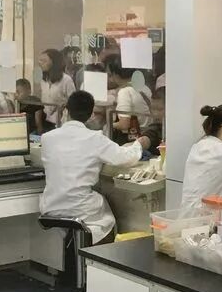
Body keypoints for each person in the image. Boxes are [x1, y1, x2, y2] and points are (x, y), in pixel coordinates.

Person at [40, 91, 152, 245]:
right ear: (91, 114)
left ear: (66, 110)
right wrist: (139, 143)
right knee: (108, 220)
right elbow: (126, 158)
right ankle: (95, 257)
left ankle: (74, 254)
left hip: (50, 208)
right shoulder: (95, 139)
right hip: (81, 211)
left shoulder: (47, 138)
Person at [105, 55, 152, 144]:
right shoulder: (145, 88)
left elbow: (124, 124)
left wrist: (108, 125)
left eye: (110, 75)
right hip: (147, 136)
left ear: (115, 74)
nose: (110, 79)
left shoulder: (125, 92)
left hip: (132, 141)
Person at [39, 48, 76, 133]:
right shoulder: (43, 80)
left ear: (54, 62)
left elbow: (73, 101)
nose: (41, 63)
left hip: (60, 122)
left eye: (44, 61)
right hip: (45, 120)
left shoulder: (66, 80)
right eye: (40, 60)